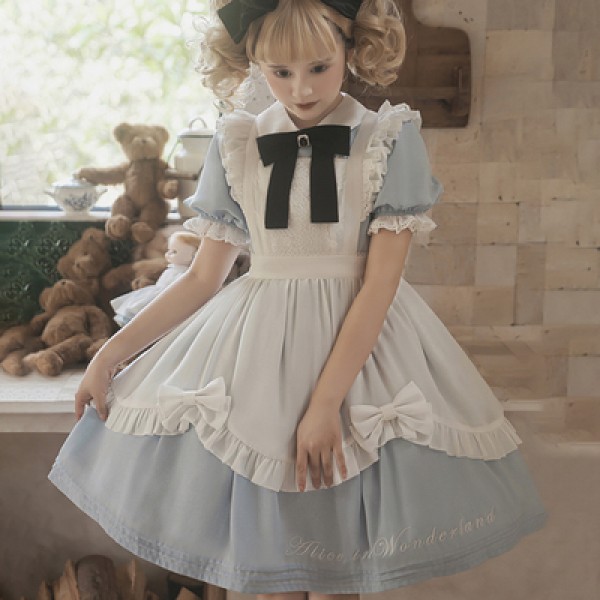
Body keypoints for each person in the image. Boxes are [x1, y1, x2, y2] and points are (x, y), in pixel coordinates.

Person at [49, 0, 547, 597]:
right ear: (255, 64)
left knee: (340, 568)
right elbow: (203, 279)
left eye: (318, 67)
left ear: (350, 50)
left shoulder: (386, 137)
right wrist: (110, 356)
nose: (301, 89)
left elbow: (380, 284)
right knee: (268, 573)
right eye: (279, 72)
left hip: (358, 362)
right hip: (260, 362)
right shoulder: (237, 141)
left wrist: (324, 406)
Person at [110, 231, 201, 327]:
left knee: (147, 315)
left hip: (164, 299)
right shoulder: (172, 268)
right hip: (155, 293)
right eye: (168, 250)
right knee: (137, 310)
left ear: (192, 256)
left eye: (174, 252)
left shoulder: (183, 274)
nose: (168, 254)